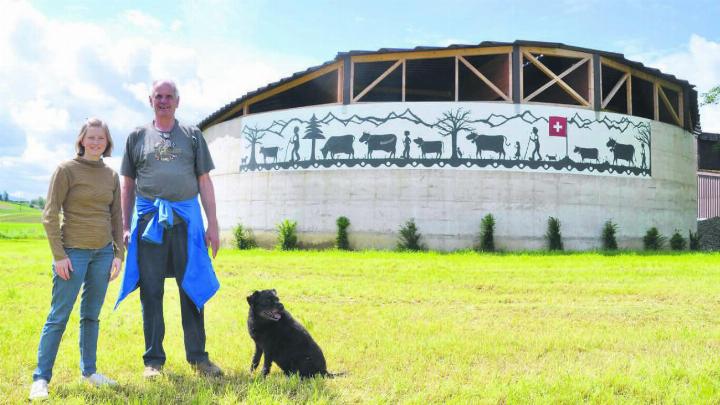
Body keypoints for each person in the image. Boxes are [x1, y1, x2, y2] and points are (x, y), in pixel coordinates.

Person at [115, 79, 222, 379]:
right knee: (151, 291)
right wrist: (125, 226)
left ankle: (199, 358)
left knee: (191, 286)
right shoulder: (136, 136)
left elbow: (204, 181)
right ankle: (153, 361)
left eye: (169, 96)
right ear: (150, 100)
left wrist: (212, 224)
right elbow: (127, 185)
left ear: (178, 100)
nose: (163, 101)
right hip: (149, 222)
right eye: (158, 96)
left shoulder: (192, 135)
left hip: (186, 222)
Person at [30, 118, 124, 400]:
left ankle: (90, 371)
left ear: (107, 143)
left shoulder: (111, 176)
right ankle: (41, 378)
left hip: (103, 254)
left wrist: (118, 254)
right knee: (58, 317)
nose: (96, 142)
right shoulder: (66, 170)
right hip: (73, 254)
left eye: (101, 138)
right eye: (91, 137)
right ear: (82, 139)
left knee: (91, 316)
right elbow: (49, 215)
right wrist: (59, 256)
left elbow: (117, 218)